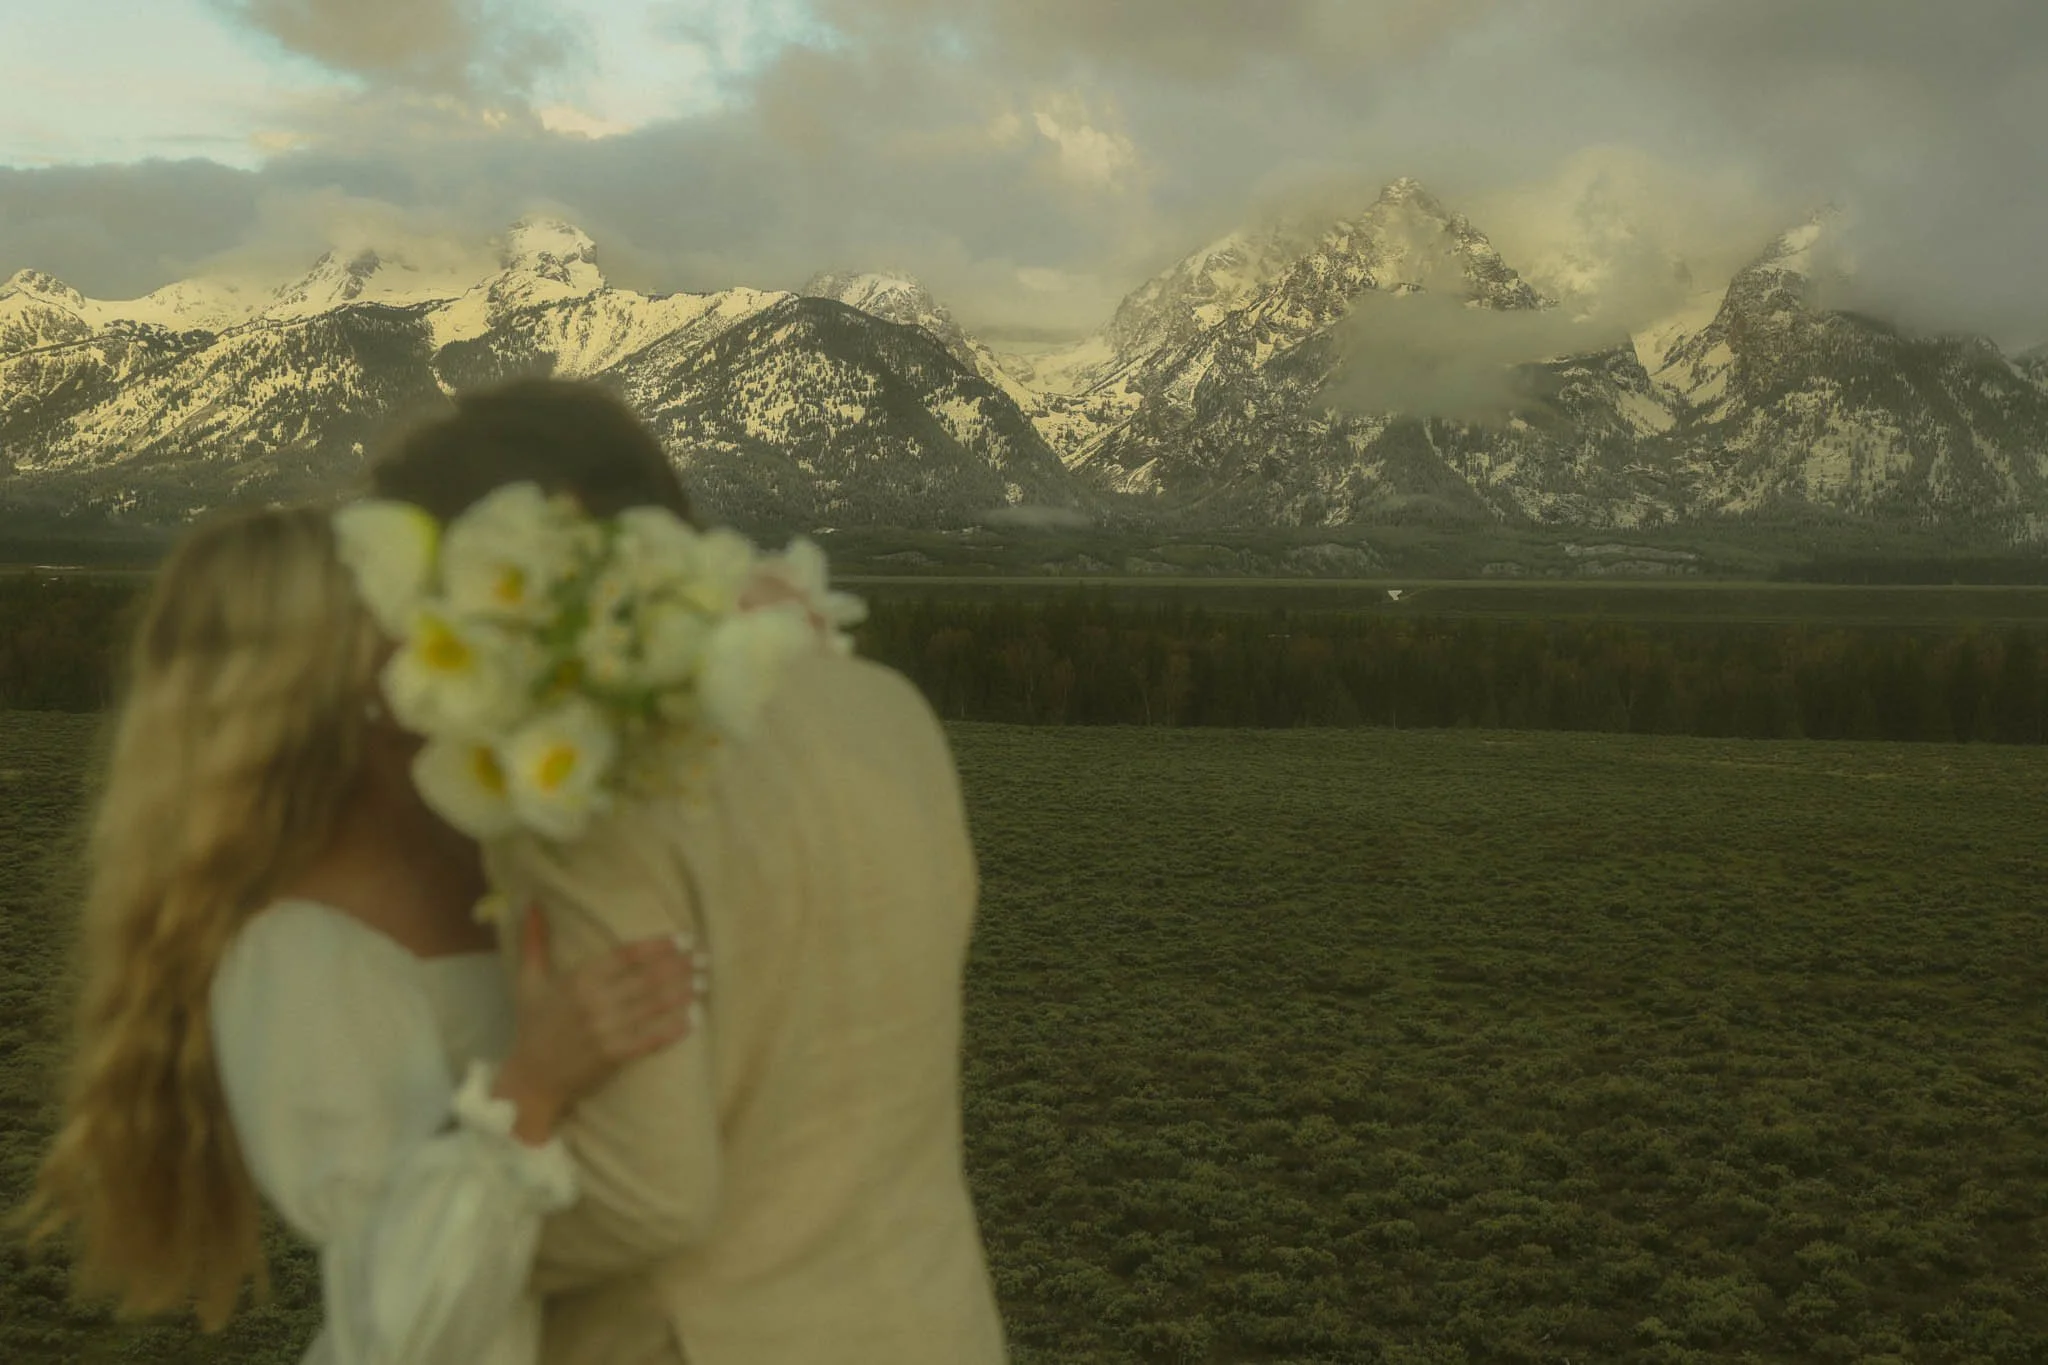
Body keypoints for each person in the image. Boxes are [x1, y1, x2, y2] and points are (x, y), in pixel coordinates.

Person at [368, 378, 1010, 1365]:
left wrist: (423, 1248)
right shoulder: (889, 711)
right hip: (931, 1326)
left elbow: (645, 1197)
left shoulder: (589, 783)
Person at [12, 504, 706, 1364]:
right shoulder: (293, 954)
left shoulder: (491, 839)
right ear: (329, 676)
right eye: (402, 613)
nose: (444, 633)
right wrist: (530, 1089)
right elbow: (400, 1323)